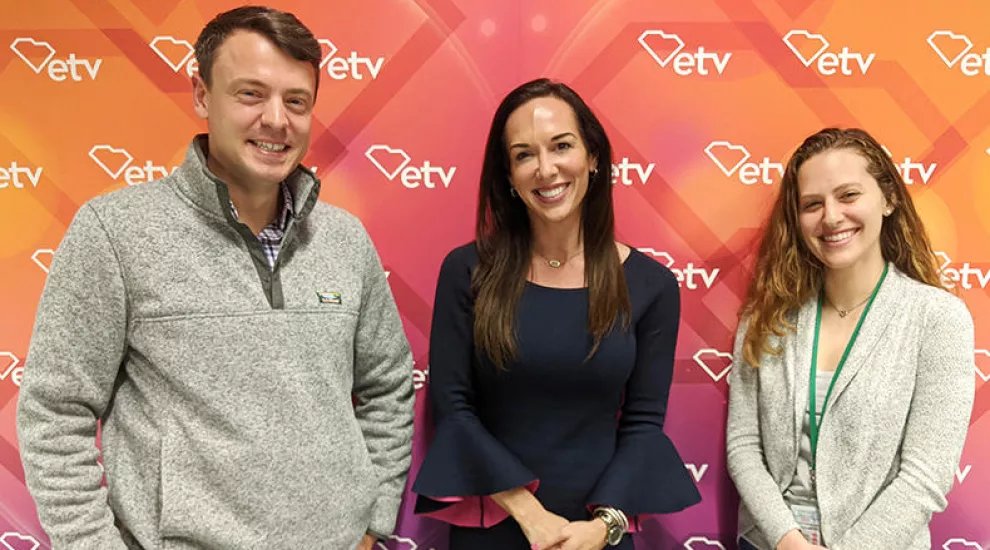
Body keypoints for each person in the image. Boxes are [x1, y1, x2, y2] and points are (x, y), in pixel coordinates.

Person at [17, 6, 414, 550]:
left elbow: (389, 385)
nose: (277, 119)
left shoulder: (345, 240)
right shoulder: (115, 231)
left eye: (296, 100)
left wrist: (373, 522)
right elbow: (55, 410)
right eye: (250, 93)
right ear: (202, 95)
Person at [411, 78, 701, 550]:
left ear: (592, 156)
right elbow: (453, 407)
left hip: (597, 532)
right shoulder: (467, 271)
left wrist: (602, 527)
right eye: (524, 154)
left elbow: (644, 424)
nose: (546, 169)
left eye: (561, 146)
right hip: (493, 526)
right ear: (508, 174)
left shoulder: (653, 285)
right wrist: (531, 515)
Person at [726, 128, 975, 550]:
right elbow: (744, 447)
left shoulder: (937, 319)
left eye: (848, 195)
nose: (831, 217)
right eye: (812, 204)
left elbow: (925, 476)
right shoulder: (766, 318)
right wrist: (787, 541)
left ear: (889, 199)